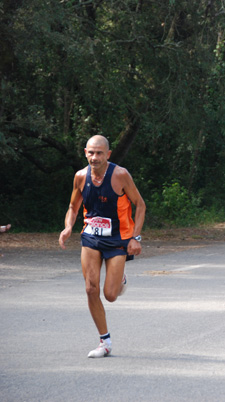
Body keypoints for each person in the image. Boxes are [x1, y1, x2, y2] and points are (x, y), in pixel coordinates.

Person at [58, 135, 146, 358]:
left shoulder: (120, 175)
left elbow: (140, 205)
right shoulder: (80, 176)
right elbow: (73, 206)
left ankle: (120, 279)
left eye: (99, 153)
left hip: (118, 239)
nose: (94, 157)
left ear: (108, 154)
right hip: (91, 237)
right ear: (85, 152)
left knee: (110, 295)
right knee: (90, 288)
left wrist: (136, 238)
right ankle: (104, 341)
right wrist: (68, 227)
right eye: (90, 152)